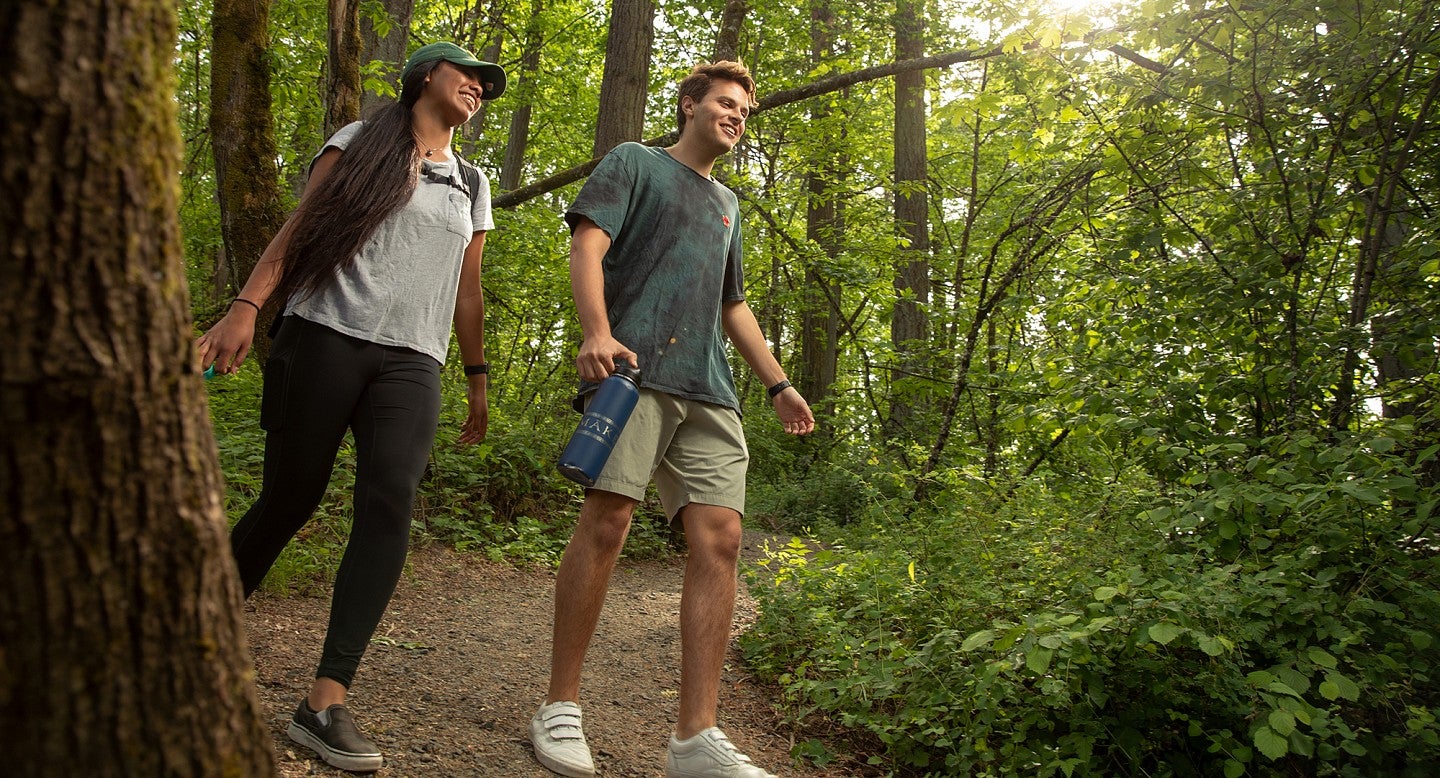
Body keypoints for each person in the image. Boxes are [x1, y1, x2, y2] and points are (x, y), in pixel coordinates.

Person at [194, 42, 505, 773]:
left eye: (486, 86)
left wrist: (478, 377)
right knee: (289, 498)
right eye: (467, 75)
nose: (477, 88)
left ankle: (325, 699)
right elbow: (302, 227)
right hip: (324, 333)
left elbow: (467, 290)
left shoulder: (470, 179)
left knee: (391, 501)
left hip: (413, 360)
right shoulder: (362, 142)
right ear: (426, 76)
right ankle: (191, 634)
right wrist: (247, 307)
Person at [530, 61, 815, 778]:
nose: (736, 116)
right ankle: (559, 707)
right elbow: (588, 244)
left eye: (744, 110)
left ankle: (695, 739)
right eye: (725, 103)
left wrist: (777, 382)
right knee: (609, 519)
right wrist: (596, 331)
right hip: (634, 370)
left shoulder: (730, 205)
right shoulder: (635, 163)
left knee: (721, 537)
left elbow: (733, 305)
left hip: (710, 387)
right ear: (689, 106)